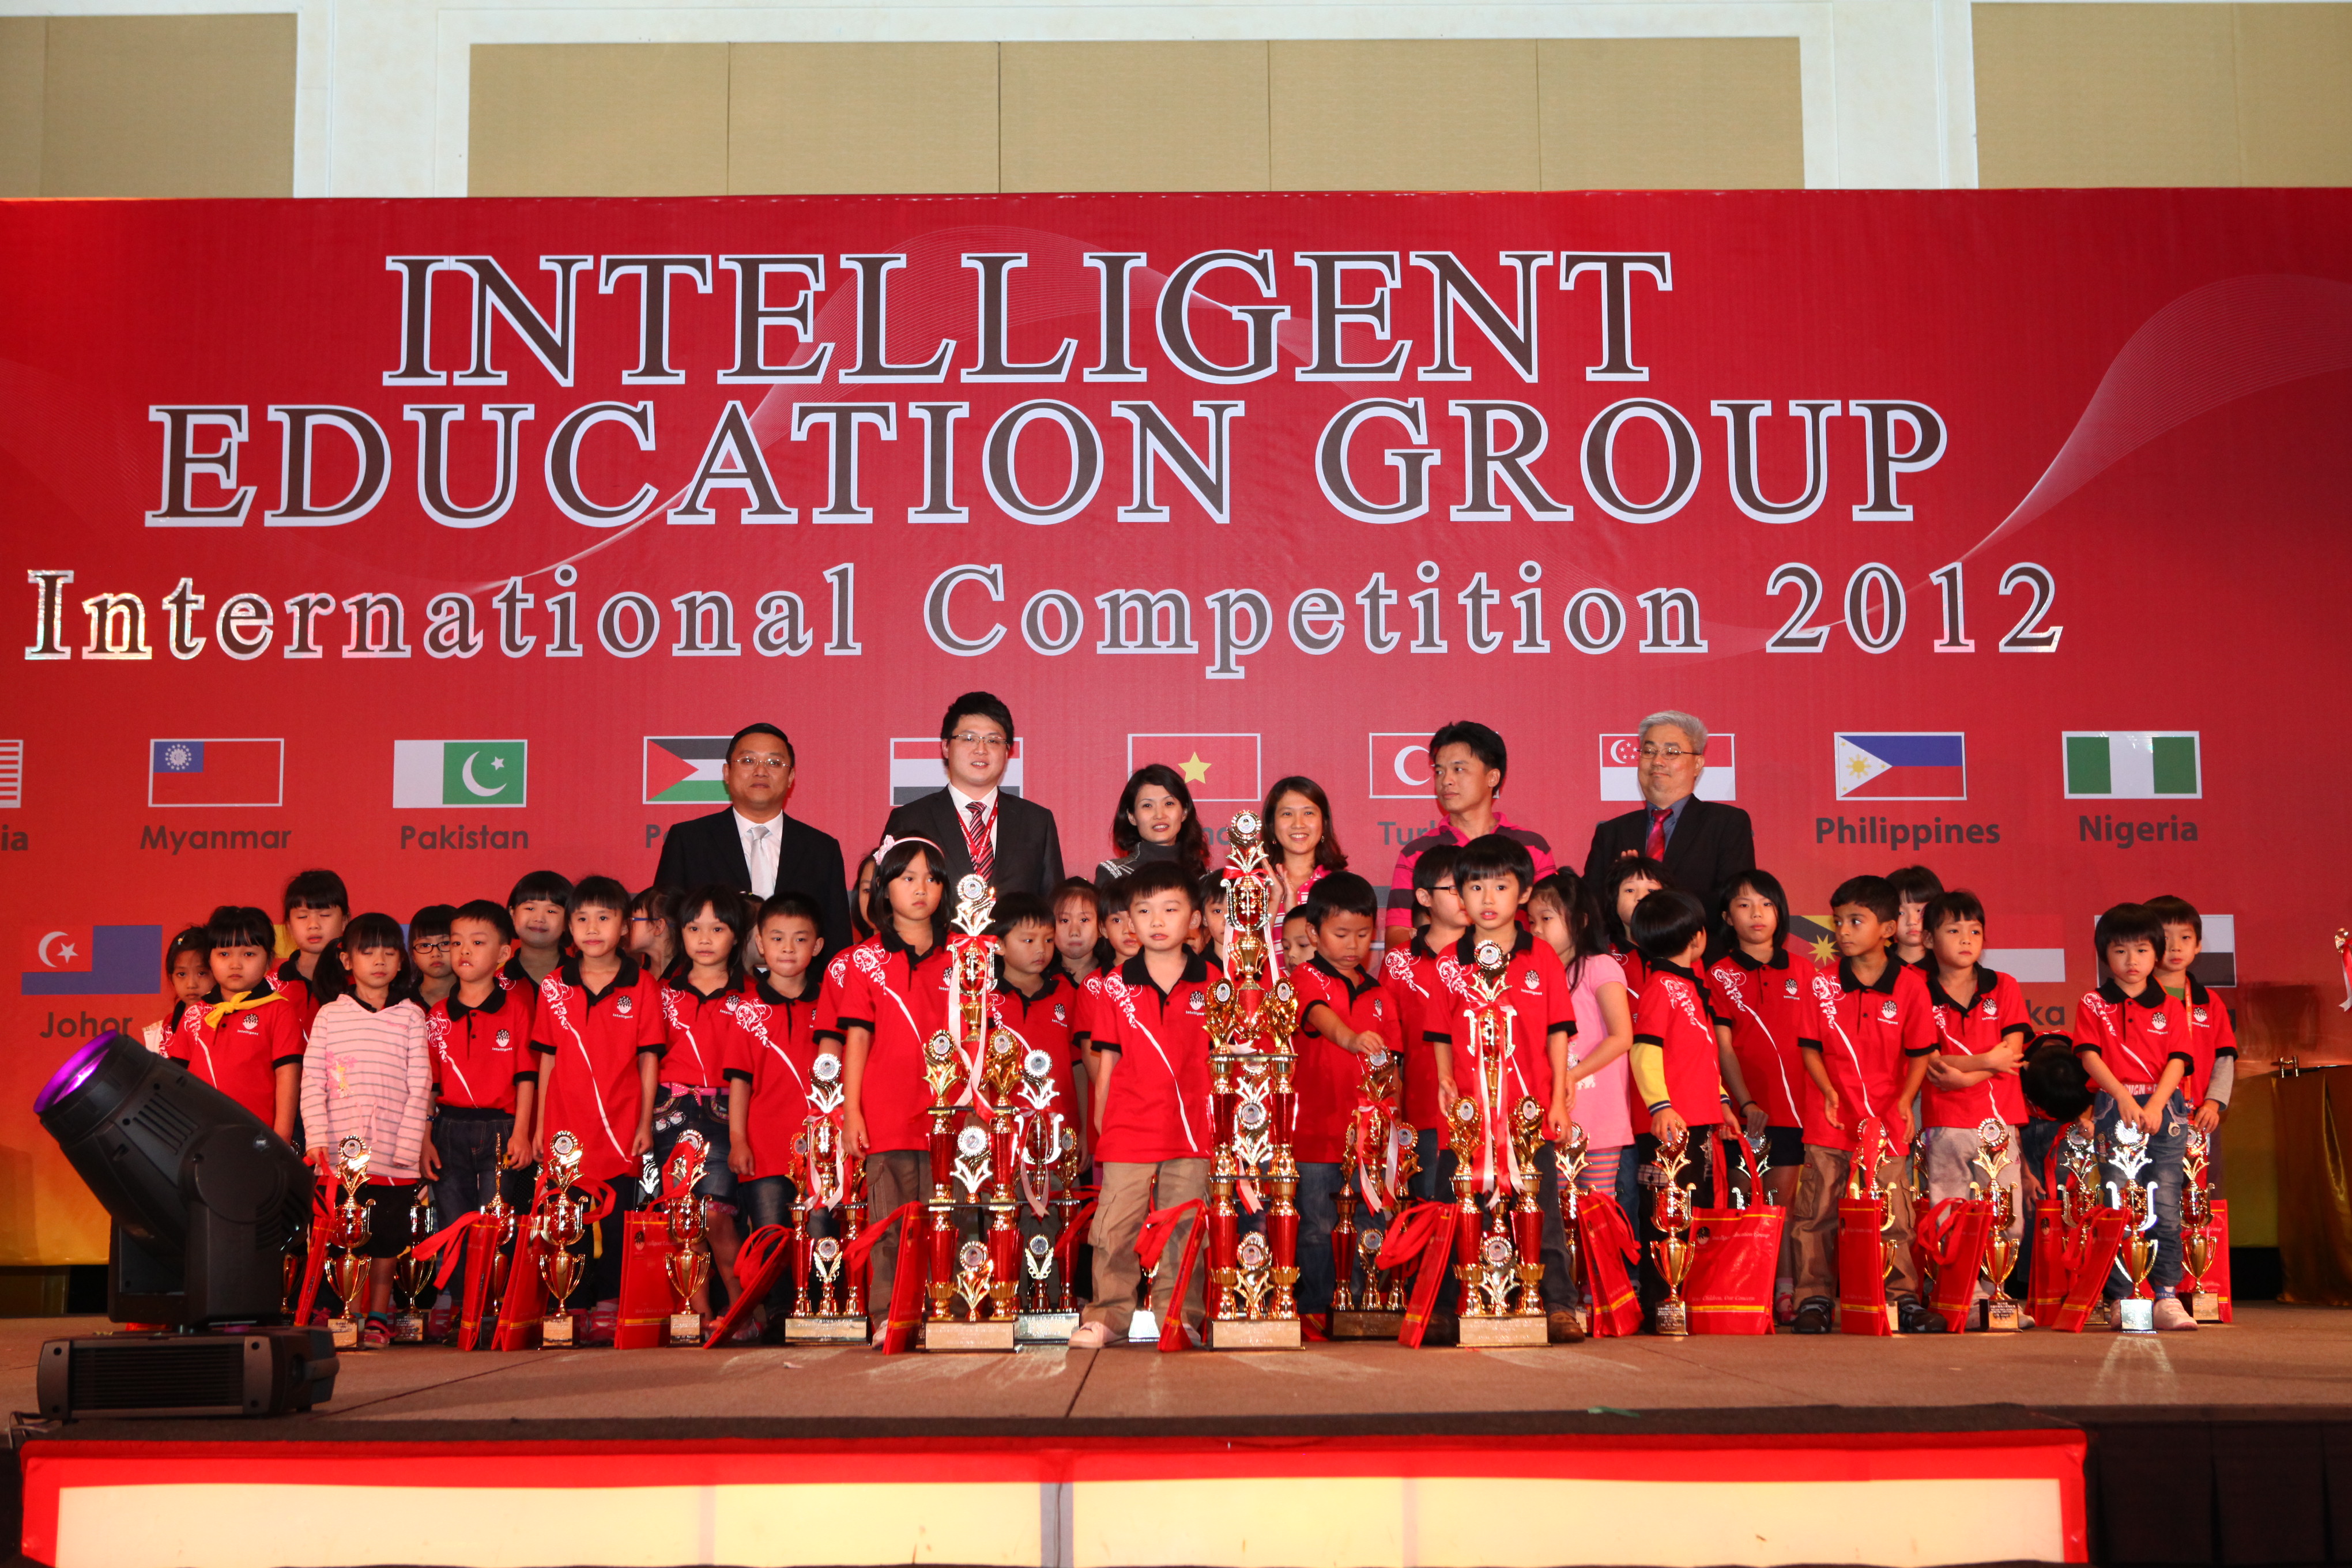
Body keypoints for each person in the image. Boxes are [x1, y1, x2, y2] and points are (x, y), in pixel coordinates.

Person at [1424, 833, 1581, 1343]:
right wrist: (1446, 1078)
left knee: (1542, 1210)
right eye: (1475, 887)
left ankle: (1555, 1304)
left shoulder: (1543, 959)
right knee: (1456, 1209)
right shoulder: (1449, 961)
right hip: (1467, 1118)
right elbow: (1440, 1032)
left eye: (1500, 886)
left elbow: (1558, 1032)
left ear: (1525, 893)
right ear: (1459, 896)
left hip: (1527, 1114)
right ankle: (1447, 1306)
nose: (1487, 899)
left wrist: (1558, 1098)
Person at [1068, 862, 1217, 1349]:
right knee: (1114, 1226)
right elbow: (1105, 1061)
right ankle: (1109, 1315)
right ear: (1129, 920)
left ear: (1194, 920)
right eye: (1144, 911)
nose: (1156, 921)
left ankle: (1180, 1315)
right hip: (1128, 1128)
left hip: (1192, 1131)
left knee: (1184, 1226)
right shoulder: (1114, 985)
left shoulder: (1216, 982)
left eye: (1171, 910)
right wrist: (1102, 1122)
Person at [1790, 875, 1940, 1335]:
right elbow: (1810, 1048)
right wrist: (1829, 1091)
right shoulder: (1821, 983)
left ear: (1889, 929)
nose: (1844, 931)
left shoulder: (1911, 986)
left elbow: (1919, 1055)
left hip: (1886, 1123)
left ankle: (1901, 1298)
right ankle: (1814, 1298)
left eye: (1856, 921)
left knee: (1894, 1213)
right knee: (1817, 1212)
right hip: (1830, 1120)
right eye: (1838, 922)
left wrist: (1905, 1101)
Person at [530, 875, 668, 1343]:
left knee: (614, 1220)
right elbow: (547, 1059)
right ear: (569, 927)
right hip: (565, 1128)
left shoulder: (642, 985)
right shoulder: (554, 985)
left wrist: (645, 1122)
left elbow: (648, 1060)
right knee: (567, 1220)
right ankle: (571, 1302)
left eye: (604, 918)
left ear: (625, 927)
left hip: (621, 1124)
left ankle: (610, 1301)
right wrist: (539, 1126)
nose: (593, 928)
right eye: (582, 919)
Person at [818, 837, 951, 1309]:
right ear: (883, 889)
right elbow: (856, 1040)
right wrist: (852, 1112)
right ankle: (890, 1315)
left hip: (948, 1117)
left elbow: (978, 1041)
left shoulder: (964, 954)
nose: (922, 889)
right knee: (889, 1224)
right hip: (886, 1116)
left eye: (932, 879)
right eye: (908, 878)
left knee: (948, 1222)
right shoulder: (864, 961)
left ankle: (950, 1311)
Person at [301, 913, 433, 1348]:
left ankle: (377, 1316)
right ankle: (347, 1313)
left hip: (394, 1155)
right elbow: (313, 1083)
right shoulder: (329, 1016)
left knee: (386, 1242)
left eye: (390, 952)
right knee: (344, 1237)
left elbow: (420, 1086)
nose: (379, 961)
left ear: (401, 962)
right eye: (368, 951)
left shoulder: (411, 1016)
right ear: (346, 960)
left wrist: (407, 1148)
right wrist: (317, 1140)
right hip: (339, 1156)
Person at [2075, 902, 2196, 1330]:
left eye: (2142, 950)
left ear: (2157, 954)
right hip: (2115, 1109)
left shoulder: (2170, 1005)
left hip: (2165, 1110)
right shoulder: (2093, 1003)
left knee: (2165, 1203)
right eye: (2121, 951)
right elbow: (2089, 1056)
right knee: (2117, 1203)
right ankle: (2122, 1298)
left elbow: (2179, 1060)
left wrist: (2156, 1104)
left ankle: (2166, 1295)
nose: (2132, 960)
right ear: (2104, 955)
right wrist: (2123, 1097)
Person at [1626, 888, 1743, 1328]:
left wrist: (1723, 1105)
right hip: (1670, 1125)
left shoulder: (1692, 987)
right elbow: (1644, 1051)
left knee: (1692, 1212)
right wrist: (1660, 1107)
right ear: (1698, 938)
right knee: (1665, 1215)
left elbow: (1703, 1057)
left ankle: (1685, 1298)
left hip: (1699, 1121)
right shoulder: (1660, 987)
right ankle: (1662, 1303)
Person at [424, 898, 538, 1337]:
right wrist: (425, 1137)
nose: (464, 951)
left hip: (502, 1130)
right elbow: (430, 1086)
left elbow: (527, 1078)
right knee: (454, 1224)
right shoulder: (437, 1015)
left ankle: (495, 1306)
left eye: (477, 942)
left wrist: (523, 1134)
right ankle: (463, 1307)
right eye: (456, 943)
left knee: (498, 1224)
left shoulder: (517, 1008)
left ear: (504, 954)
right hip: (449, 1129)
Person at [1916, 889, 2031, 1318]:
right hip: (1945, 1121)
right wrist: (1986, 1062)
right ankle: (1962, 1292)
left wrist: (1965, 1076)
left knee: (2007, 1217)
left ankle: (1995, 1290)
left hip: (1999, 1120)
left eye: (1975, 931)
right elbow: (1930, 1062)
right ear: (1929, 939)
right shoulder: (1918, 990)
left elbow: (2012, 1052)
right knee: (1949, 1210)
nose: (1966, 939)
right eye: (1953, 931)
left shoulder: (2003, 985)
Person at [1285, 872, 1394, 1322]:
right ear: (1314, 934)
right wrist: (1350, 1039)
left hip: (1370, 1140)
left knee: (1370, 1222)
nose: (1353, 945)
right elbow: (1318, 1015)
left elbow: (1394, 1064)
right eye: (1341, 934)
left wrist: (1395, 1118)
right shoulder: (1304, 977)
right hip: (1316, 1134)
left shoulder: (1380, 993)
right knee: (1317, 1226)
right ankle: (1318, 1305)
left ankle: (1363, 1302)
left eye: (1364, 934)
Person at [1704, 870, 1812, 1319]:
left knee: (1783, 1209)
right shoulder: (1717, 975)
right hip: (1742, 1114)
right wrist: (1745, 1101)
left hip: (1796, 1111)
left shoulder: (1804, 971)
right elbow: (1723, 1047)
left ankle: (1784, 1292)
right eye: (1744, 905)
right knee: (1745, 1203)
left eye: (1766, 904)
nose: (1757, 914)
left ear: (1780, 912)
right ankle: (1747, 1291)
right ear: (1727, 917)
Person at [653, 724, 853, 956]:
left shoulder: (821, 849)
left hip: (801, 979)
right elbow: (665, 929)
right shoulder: (689, 840)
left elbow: (837, 938)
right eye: (748, 761)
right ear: (727, 773)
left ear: (791, 777)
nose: (761, 771)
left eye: (774, 763)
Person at [722, 892, 825, 1337]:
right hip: (764, 1146)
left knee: (821, 1229)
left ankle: (821, 1307)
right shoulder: (747, 1010)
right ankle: (782, 1311)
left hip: (821, 1149)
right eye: (777, 938)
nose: (788, 948)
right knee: (770, 1230)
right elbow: (740, 1083)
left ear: (817, 946)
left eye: (800, 939)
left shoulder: (831, 1005)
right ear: (760, 944)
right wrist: (738, 1140)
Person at [655, 886, 751, 1320]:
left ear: (738, 935)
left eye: (718, 929)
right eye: (694, 929)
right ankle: (698, 1317)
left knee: (717, 1216)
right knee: (683, 1219)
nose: (705, 939)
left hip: (726, 1115)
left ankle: (741, 1310)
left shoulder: (750, 996)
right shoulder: (661, 993)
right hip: (670, 1114)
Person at [1385, 722, 1555, 949]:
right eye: (1439, 771)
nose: (1446, 780)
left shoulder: (1532, 847)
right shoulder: (1416, 853)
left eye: (1459, 769)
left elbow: (1553, 923)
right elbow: (1397, 936)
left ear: (1492, 778)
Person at [883, 692, 1065, 898]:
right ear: (946, 746)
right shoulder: (910, 820)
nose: (981, 749)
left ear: (1007, 751)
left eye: (993, 741)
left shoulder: (1037, 822)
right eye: (969, 739)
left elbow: (1054, 904)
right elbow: (886, 900)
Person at [1530, 873, 1635, 1216]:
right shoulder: (1535, 978)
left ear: (1581, 921)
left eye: (1547, 919)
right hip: (1551, 1117)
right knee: (1555, 1215)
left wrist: (1572, 1076)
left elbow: (1622, 1037)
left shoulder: (1600, 966)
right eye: (1531, 921)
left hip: (1600, 1118)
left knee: (1598, 1213)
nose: (1536, 929)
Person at [1581, 711, 1755, 906]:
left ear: (1698, 765)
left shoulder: (1727, 824)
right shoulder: (1611, 833)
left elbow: (1735, 903)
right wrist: (1618, 886)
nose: (1657, 761)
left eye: (1671, 753)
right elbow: (1590, 908)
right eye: (1649, 752)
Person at [168, 904, 301, 1141]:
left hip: (258, 1141)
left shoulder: (280, 1010)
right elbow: (176, 1081)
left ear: (269, 959)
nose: (235, 964)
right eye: (224, 954)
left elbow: (288, 1077)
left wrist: (281, 1139)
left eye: (248, 954)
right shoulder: (194, 1014)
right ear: (210, 959)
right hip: (200, 1140)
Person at [1382, 845, 1467, 1203]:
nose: (1467, 896)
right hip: (1426, 1114)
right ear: (1424, 897)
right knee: (1433, 1214)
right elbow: (1386, 1049)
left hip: (1490, 1111)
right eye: (1454, 888)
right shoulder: (1398, 963)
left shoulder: (1493, 957)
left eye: (1473, 885)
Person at [989, 892, 1085, 1163]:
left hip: (1060, 1134)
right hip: (1001, 1138)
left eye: (1049, 940)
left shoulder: (1067, 993)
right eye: (1029, 940)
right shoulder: (982, 998)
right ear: (999, 945)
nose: (1041, 949)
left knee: (1060, 1192)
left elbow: (1079, 1066)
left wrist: (1085, 1132)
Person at [2146, 894, 2237, 1136]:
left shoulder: (2210, 1002)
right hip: (2147, 1112)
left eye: (2185, 937)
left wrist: (2213, 1103)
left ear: (2198, 945)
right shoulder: (2135, 1000)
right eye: (2165, 938)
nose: (2175, 946)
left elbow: (2224, 1059)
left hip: (2198, 1116)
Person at [1095, 764, 1209, 891]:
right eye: (1148, 806)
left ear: (1184, 812)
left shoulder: (1204, 878)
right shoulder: (1115, 875)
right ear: (1132, 817)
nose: (1159, 815)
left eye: (1169, 804)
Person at [275, 868, 351, 1034]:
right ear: (289, 925)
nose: (313, 925)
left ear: (345, 921)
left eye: (325, 915)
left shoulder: (360, 982)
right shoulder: (270, 986)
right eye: (303, 917)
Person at [1264, 775, 1347, 909]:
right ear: (1272, 826)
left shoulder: (1345, 886)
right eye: (1287, 814)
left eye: (1308, 813)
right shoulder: (1254, 884)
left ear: (1324, 823)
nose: (1298, 824)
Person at [1599, 855, 1671, 998]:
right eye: (1630, 890)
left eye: (1651, 891)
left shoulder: (1678, 951)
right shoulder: (1602, 953)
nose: (1641, 897)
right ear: (1614, 900)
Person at [144, 926, 212, 1053]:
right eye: (182, 974)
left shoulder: (233, 1028)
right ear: (172, 978)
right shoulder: (158, 1036)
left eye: (202, 973)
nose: (191, 984)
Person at [505, 871, 574, 987]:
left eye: (551, 911)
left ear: (568, 922)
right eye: (530, 909)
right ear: (513, 915)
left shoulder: (581, 976)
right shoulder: (496, 978)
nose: (539, 919)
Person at [1887, 866, 1944, 970]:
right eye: (1900, 913)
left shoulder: (1947, 967)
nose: (1912, 921)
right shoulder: (1878, 967)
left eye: (1920, 911)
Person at [1051, 879, 1102, 986]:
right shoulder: (1043, 980)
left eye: (1084, 920)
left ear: (1101, 927)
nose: (1074, 932)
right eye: (1065, 920)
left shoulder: (1114, 976)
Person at [408, 904, 457, 1011]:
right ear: (413, 955)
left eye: (445, 943)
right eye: (425, 945)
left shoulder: (478, 1000)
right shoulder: (401, 1004)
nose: (435, 954)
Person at [626, 887, 679, 982]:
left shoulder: (689, 979)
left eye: (633, 920)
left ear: (658, 926)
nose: (626, 927)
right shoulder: (635, 979)